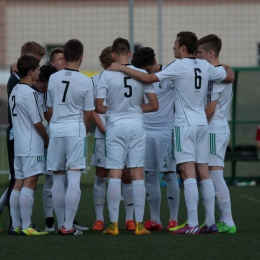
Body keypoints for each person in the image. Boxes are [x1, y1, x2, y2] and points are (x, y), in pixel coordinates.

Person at [108, 31, 234, 235]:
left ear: (183, 47)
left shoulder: (178, 65)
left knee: (187, 173)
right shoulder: (205, 66)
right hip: (202, 124)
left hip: (184, 125)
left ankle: (192, 222)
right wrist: (227, 67)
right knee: (204, 172)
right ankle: (210, 221)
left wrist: (122, 68)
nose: (173, 47)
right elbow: (228, 76)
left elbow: (149, 77)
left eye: (176, 44)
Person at [96, 37, 158, 235]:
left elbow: (98, 106)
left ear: (113, 55)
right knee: (137, 175)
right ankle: (139, 225)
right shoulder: (141, 73)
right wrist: (134, 109)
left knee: (114, 174)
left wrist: (116, 110)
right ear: (130, 54)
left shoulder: (105, 75)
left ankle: (113, 225)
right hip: (136, 126)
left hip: (115, 127)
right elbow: (154, 105)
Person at [47, 39, 94, 235]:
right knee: (73, 178)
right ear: (81, 58)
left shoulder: (53, 78)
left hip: (56, 130)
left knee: (57, 180)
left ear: (64, 57)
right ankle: (68, 225)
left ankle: (60, 225)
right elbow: (89, 114)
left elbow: (49, 110)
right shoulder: (86, 80)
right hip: (75, 131)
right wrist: (82, 130)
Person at [131, 47, 180, 231]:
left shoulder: (168, 75)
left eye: (147, 69)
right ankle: (155, 220)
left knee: (169, 174)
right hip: (145, 131)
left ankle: (173, 219)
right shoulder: (138, 75)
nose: (145, 74)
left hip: (166, 131)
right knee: (150, 175)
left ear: (153, 62)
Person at [91, 46, 135, 231]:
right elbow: (92, 109)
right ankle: (100, 219)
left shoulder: (131, 76)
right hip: (104, 134)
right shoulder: (95, 80)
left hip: (123, 132)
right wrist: (104, 128)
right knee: (102, 175)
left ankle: (130, 219)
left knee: (127, 175)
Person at [4, 41, 45, 233]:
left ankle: (17, 225)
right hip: (31, 145)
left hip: (19, 144)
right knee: (30, 183)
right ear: (30, 71)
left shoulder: (15, 91)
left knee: (18, 183)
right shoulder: (31, 94)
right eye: (37, 69)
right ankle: (27, 225)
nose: (39, 72)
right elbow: (38, 123)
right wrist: (47, 140)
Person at [197, 34, 236, 233]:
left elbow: (210, 109)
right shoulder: (221, 71)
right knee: (213, 174)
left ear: (211, 53)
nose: (198, 56)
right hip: (218, 127)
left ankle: (227, 220)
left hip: (212, 128)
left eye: (201, 53)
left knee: (214, 175)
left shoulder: (216, 74)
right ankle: (222, 219)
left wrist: (199, 130)